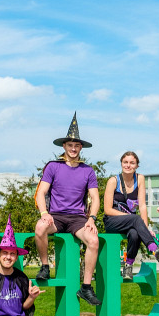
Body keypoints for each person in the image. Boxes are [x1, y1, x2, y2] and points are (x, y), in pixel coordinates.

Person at [33, 112, 102, 305]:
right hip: (55, 216)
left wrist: (92, 218)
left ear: (81, 148)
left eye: (76, 145)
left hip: (78, 219)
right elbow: (41, 193)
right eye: (70, 145)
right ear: (64, 146)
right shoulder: (53, 167)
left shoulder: (88, 170)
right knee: (39, 228)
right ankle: (45, 266)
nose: (73, 148)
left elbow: (95, 198)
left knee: (93, 240)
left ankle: (86, 287)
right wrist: (44, 213)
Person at [103, 151, 159, 279]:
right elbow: (107, 209)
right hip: (112, 221)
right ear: (121, 164)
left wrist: (144, 229)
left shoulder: (140, 179)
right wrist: (130, 218)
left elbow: (142, 206)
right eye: (125, 162)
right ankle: (155, 249)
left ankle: (128, 267)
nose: (128, 165)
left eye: (132, 163)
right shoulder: (113, 181)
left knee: (135, 234)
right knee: (135, 219)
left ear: (137, 166)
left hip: (132, 222)